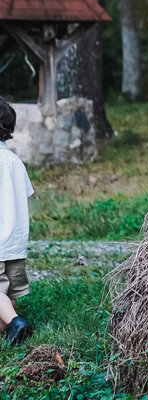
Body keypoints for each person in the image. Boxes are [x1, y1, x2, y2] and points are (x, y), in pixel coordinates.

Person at [0, 97, 34, 346]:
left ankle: (15, 323)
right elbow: (26, 195)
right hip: (16, 243)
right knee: (11, 291)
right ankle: (10, 331)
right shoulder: (15, 161)